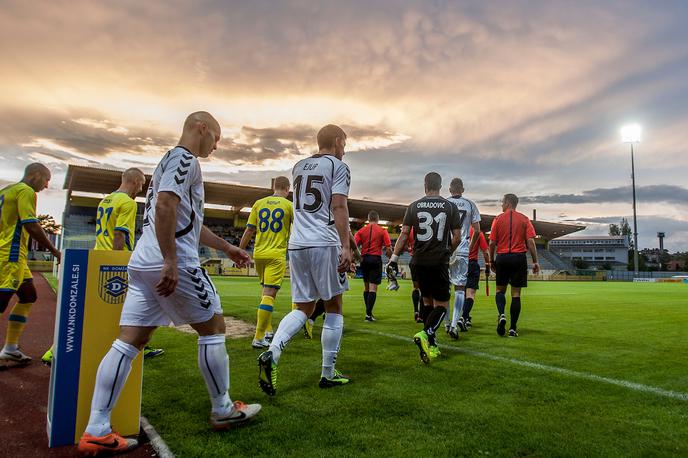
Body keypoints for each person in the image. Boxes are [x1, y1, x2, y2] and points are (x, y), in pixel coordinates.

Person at [77, 112, 260, 456]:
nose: (216, 146)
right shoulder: (184, 158)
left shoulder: (169, 161)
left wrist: (228, 247)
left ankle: (96, 428)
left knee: (131, 340)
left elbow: (185, 219)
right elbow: (164, 205)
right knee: (214, 327)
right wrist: (171, 259)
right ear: (201, 128)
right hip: (169, 260)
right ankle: (222, 410)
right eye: (216, 138)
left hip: (143, 262)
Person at [258, 124, 352, 395]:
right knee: (334, 306)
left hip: (297, 244)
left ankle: (273, 352)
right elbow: (338, 205)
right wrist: (345, 247)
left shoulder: (299, 166)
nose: (344, 149)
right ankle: (328, 373)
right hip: (324, 241)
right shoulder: (338, 166)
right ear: (336, 141)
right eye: (344, 143)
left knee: (302, 308)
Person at [41, 168, 164, 366]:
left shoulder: (106, 200)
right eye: (141, 184)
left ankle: (54, 350)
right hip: (115, 260)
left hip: (98, 256)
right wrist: (119, 262)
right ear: (134, 181)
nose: (141, 189)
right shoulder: (127, 203)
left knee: (92, 310)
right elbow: (119, 234)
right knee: (139, 305)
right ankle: (138, 345)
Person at [388, 172, 461, 364]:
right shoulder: (450, 207)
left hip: (418, 261)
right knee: (443, 306)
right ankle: (426, 332)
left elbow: (404, 235)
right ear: (441, 186)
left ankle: (432, 344)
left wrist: (394, 258)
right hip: (438, 261)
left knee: (427, 302)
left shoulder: (413, 206)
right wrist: (447, 252)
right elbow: (457, 238)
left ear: (425, 185)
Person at [0, 163, 61, 367]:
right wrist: (54, 251)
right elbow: (31, 224)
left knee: (29, 296)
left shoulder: (7, 190)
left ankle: (10, 348)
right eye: (46, 180)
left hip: (12, 255)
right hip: (10, 255)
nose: (46, 186)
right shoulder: (26, 191)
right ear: (35, 175)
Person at [239, 176, 293, 349]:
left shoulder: (259, 203)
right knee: (270, 293)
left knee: (265, 292)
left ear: (274, 187)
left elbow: (249, 230)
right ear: (287, 188)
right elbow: (295, 231)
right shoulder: (289, 205)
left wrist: (240, 250)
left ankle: (268, 329)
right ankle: (259, 337)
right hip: (276, 253)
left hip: (259, 253)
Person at [488, 193, 540, 337]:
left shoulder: (497, 219)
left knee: (500, 291)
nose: (501, 205)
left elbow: (492, 243)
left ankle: (502, 314)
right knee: (516, 294)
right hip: (519, 258)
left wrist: (492, 260)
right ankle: (512, 328)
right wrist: (535, 261)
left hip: (503, 257)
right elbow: (530, 242)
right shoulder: (524, 219)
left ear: (507, 203)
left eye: (502, 202)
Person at [445, 178, 481, 340]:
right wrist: (471, 247)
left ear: (450, 189)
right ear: (463, 189)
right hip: (462, 249)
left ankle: (446, 324)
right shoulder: (470, 204)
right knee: (460, 288)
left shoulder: (444, 203)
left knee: (444, 288)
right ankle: (454, 324)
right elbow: (478, 231)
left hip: (445, 249)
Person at [354, 210, 392, 321]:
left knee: (366, 288)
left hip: (364, 259)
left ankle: (368, 313)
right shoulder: (382, 231)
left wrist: (356, 258)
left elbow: (354, 246)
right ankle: (368, 314)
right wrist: (391, 258)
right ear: (378, 219)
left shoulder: (361, 231)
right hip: (375, 259)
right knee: (373, 289)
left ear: (368, 218)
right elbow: (388, 248)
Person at [458, 225, 490, 330]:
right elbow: (485, 252)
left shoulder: (459, 231)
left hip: (460, 264)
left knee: (461, 293)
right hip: (472, 264)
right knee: (470, 294)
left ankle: (465, 317)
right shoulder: (478, 232)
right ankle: (464, 317)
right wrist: (488, 266)